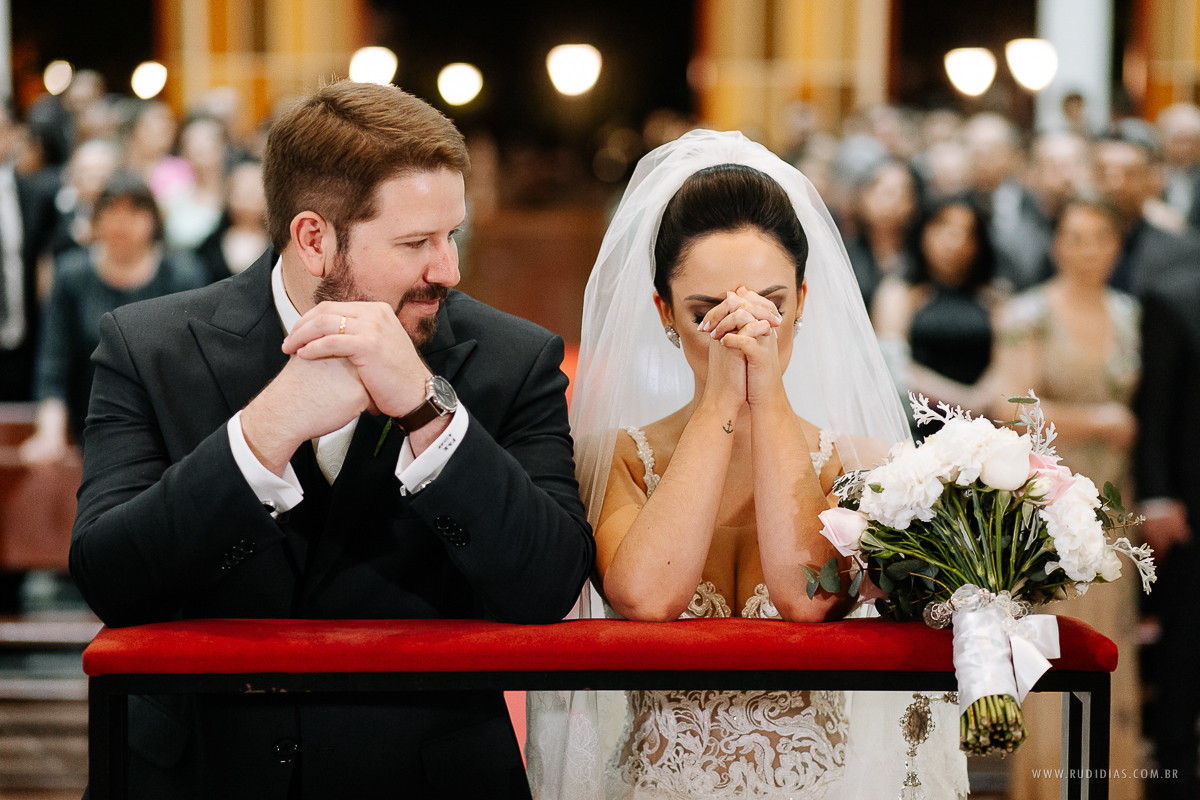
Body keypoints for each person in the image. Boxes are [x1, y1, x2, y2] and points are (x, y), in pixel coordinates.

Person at [68, 80, 594, 799]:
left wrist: (425, 410)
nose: (449, 269)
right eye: (416, 243)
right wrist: (265, 430)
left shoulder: (514, 359)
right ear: (314, 238)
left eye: (452, 235)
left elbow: (548, 585)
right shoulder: (148, 347)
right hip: (199, 775)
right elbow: (112, 579)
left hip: (426, 780)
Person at [526, 130, 967, 800]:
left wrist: (769, 398)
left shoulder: (860, 463)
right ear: (665, 314)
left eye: (771, 306)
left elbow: (805, 597)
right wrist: (720, 403)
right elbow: (648, 596)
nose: (743, 332)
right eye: (709, 313)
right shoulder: (615, 458)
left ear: (802, 302)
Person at [990, 196, 1143, 800]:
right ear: (1057, 245)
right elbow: (1010, 404)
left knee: (1111, 639)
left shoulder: (1130, 313)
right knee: (1051, 638)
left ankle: (1111, 783)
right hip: (1049, 498)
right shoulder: (1030, 313)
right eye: (1075, 237)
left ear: (1116, 245)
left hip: (1114, 500)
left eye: (1100, 237)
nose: (1087, 249)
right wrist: (1097, 421)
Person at [20, 173, 205, 462]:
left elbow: (194, 366)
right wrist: (49, 433)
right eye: (112, 209)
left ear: (153, 220)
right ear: (96, 217)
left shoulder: (182, 274)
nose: (122, 221)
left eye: (134, 210)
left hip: (165, 435)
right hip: (89, 431)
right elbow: (53, 364)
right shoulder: (71, 274)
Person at [1136, 268, 1200, 800]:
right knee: (1183, 663)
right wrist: (1156, 496)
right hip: (1189, 516)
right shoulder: (1174, 295)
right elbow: (1155, 409)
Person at [872, 195, 1000, 423]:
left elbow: (1006, 362)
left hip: (984, 423)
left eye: (967, 233)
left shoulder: (994, 298)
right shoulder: (898, 293)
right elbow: (894, 366)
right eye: (944, 228)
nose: (955, 241)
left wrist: (984, 398)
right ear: (924, 231)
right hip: (917, 420)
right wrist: (964, 401)